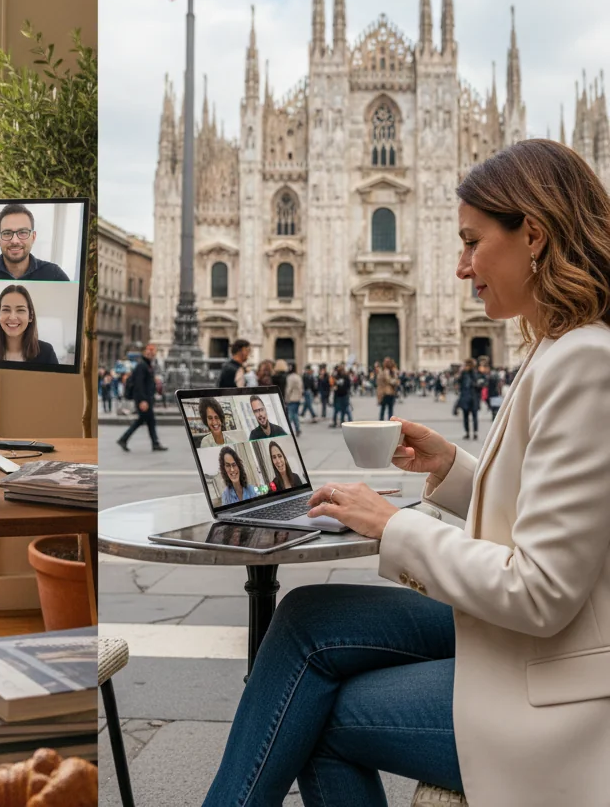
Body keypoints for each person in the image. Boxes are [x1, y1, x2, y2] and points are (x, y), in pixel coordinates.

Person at [201, 139, 610, 806]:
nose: (459, 266)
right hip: (539, 639)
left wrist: (392, 527)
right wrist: (452, 468)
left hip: (562, 691)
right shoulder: (557, 346)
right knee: (306, 618)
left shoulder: (585, 360)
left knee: (317, 716)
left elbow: (541, 591)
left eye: (473, 242)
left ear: (532, 235)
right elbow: (561, 514)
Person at [0, 204, 70, 281]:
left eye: (23, 232)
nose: (15, 241)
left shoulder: (53, 275)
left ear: (33, 237)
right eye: (7, 233)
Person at [0, 284, 58, 363]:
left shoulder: (46, 352)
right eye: (6, 310)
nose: (12, 317)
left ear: (30, 316)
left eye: (20, 310)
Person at [116, 342, 167, 452]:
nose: (151, 352)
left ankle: (155, 443)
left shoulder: (147, 365)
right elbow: (139, 384)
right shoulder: (142, 365)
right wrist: (143, 400)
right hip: (143, 399)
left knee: (150, 421)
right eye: (148, 350)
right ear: (144, 352)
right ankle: (123, 439)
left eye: (153, 350)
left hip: (147, 398)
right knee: (141, 420)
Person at [456, 357, 481, 439]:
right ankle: (471, 432)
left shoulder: (473, 373)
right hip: (469, 397)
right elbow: (458, 382)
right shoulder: (465, 374)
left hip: (470, 398)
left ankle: (472, 432)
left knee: (471, 416)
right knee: (470, 416)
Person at [284, 364, 304, 436]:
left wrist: (286, 398)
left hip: (291, 398)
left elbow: (288, 389)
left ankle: (286, 430)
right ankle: (297, 429)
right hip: (297, 398)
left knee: (290, 415)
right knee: (295, 414)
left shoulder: (290, 377)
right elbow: (301, 388)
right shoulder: (298, 377)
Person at [376, 356, 398, 420]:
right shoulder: (387, 371)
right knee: (389, 409)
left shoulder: (386, 371)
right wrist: (395, 381)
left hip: (386, 393)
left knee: (384, 409)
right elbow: (389, 380)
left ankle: (382, 423)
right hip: (387, 392)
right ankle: (389, 423)